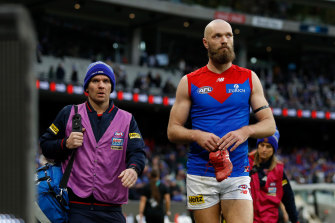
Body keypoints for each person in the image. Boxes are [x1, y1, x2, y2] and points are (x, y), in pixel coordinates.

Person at [167, 19, 276, 223]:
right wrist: (195, 135)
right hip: (201, 174)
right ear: (206, 43)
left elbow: (269, 125)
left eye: (228, 35)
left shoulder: (249, 78)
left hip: (238, 172)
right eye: (217, 36)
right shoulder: (189, 81)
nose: (224, 40)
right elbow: (172, 131)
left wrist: (245, 131)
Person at [40, 61, 146, 223]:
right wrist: (65, 144)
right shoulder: (68, 113)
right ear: (87, 87)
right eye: (95, 81)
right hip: (76, 208)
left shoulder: (127, 119)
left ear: (111, 87)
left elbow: (137, 152)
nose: (101, 85)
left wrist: (133, 169)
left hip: (112, 208)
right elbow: (45, 145)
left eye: (106, 81)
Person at [249, 130, 299, 223]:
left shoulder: (279, 171)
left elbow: (288, 197)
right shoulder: (246, 164)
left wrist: (295, 220)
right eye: (261, 145)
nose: (264, 149)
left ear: (273, 149)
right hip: (249, 218)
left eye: (268, 146)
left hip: (270, 219)